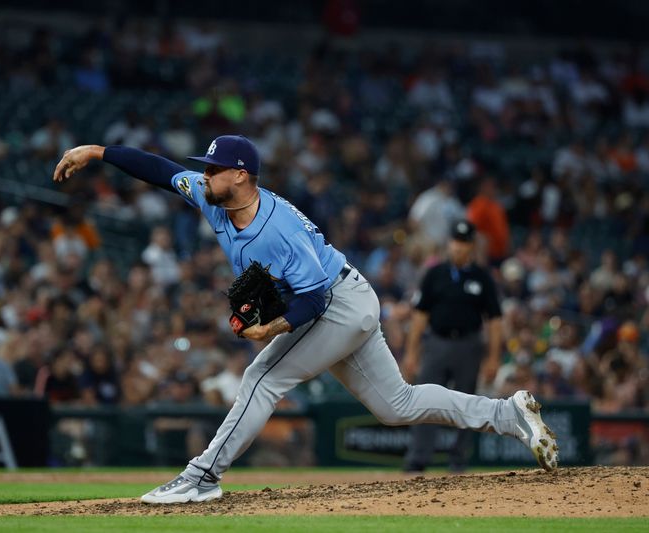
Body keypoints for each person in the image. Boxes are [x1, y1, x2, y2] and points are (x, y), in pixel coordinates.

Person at [53, 135, 558, 505]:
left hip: (335, 301)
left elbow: (314, 300)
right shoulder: (215, 201)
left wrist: (271, 329)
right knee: (397, 405)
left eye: (213, 169)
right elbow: (160, 170)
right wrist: (97, 153)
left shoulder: (276, 229)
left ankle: (203, 475)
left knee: (262, 378)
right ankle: (509, 415)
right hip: (348, 298)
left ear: (241, 176)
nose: (204, 175)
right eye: (205, 169)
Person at [402, 220, 503, 472]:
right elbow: (420, 316)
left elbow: (494, 320)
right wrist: (412, 353)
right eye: (455, 242)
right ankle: (419, 457)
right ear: (449, 243)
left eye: (464, 243)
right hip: (437, 342)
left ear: (471, 246)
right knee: (425, 400)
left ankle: (458, 458)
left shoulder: (482, 277)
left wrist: (493, 357)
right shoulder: (435, 274)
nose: (458, 248)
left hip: (469, 345)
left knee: (466, 402)